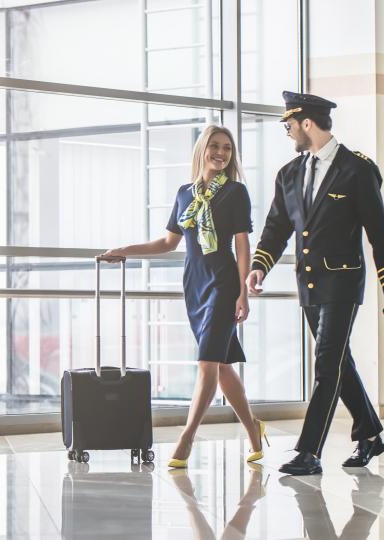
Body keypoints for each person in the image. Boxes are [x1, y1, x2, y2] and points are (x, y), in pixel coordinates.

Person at [246, 91, 384, 476]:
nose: (288, 133)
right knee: (338, 362)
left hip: (342, 282)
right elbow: (276, 228)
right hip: (310, 285)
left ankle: (309, 451)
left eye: (289, 125)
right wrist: (259, 266)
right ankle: (369, 432)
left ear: (307, 123)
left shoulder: (357, 170)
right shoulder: (288, 174)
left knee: (326, 363)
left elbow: (379, 235)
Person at [102, 124, 268, 469]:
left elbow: (242, 245)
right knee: (221, 366)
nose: (221, 153)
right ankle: (253, 429)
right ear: (202, 150)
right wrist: (123, 250)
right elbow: (167, 243)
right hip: (194, 285)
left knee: (207, 363)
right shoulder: (184, 194)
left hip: (223, 284)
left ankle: (187, 436)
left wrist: (242, 293)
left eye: (227, 148)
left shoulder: (236, 192)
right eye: (215, 147)